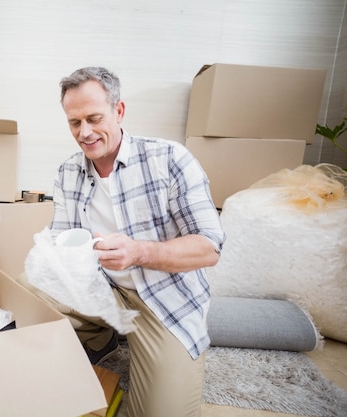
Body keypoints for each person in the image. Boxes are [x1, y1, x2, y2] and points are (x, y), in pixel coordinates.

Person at [44, 67, 225, 417]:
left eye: (94, 118)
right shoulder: (68, 172)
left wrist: (138, 251)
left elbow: (210, 246)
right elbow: (60, 239)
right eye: (74, 122)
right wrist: (54, 254)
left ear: (119, 111)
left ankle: (121, 339)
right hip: (100, 287)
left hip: (161, 297)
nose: (85, 132)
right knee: (27, 288)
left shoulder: (170, 159)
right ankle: (101, 336)